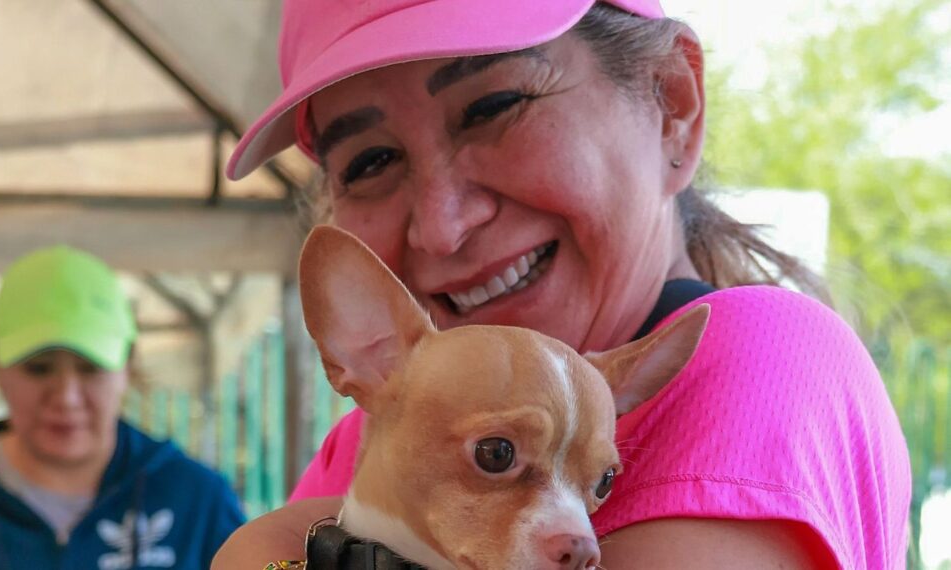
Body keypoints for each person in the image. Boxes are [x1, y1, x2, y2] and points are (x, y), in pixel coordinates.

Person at [216, 0, 911, 568]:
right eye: (371, 160)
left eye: (493, 107)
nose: (442, 225)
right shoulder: (362, 433)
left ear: (671, 103)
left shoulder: (757, 360)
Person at [0, 245, 244, 569]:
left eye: (90, 368)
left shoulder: (197, 501)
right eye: (38, 368)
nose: (66, 398)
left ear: (128, 363)